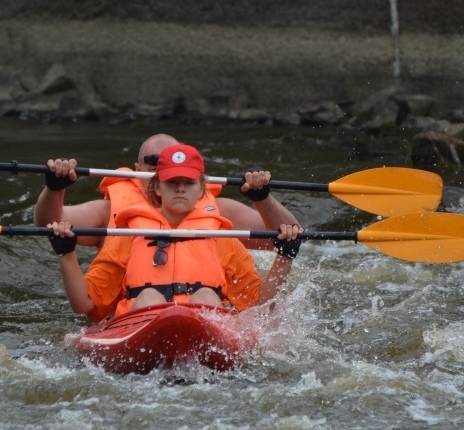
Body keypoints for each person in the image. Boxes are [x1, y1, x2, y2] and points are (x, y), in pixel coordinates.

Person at [47, 144, 303, 321]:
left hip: (204, 331)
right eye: (172, 183)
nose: (180, 189)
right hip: (142, 327)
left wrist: (285, 257)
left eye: (188, 183)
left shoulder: (222, 238)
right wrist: (66, 254)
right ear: (157, 188)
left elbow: (259, 306)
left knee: (205, 295)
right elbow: (85, 305)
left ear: (202, 188)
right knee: (148, 296)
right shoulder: (129, 236)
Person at [34, 133, 302, 250]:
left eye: (173, 161)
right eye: (155, 162)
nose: (164, 170)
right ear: (138, 167)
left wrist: (262, 198)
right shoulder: (108, 212)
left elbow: (288, 236)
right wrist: (54, 188)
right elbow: (48, 223)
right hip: (135, 310)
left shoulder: (218, 211)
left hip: (201, 306)